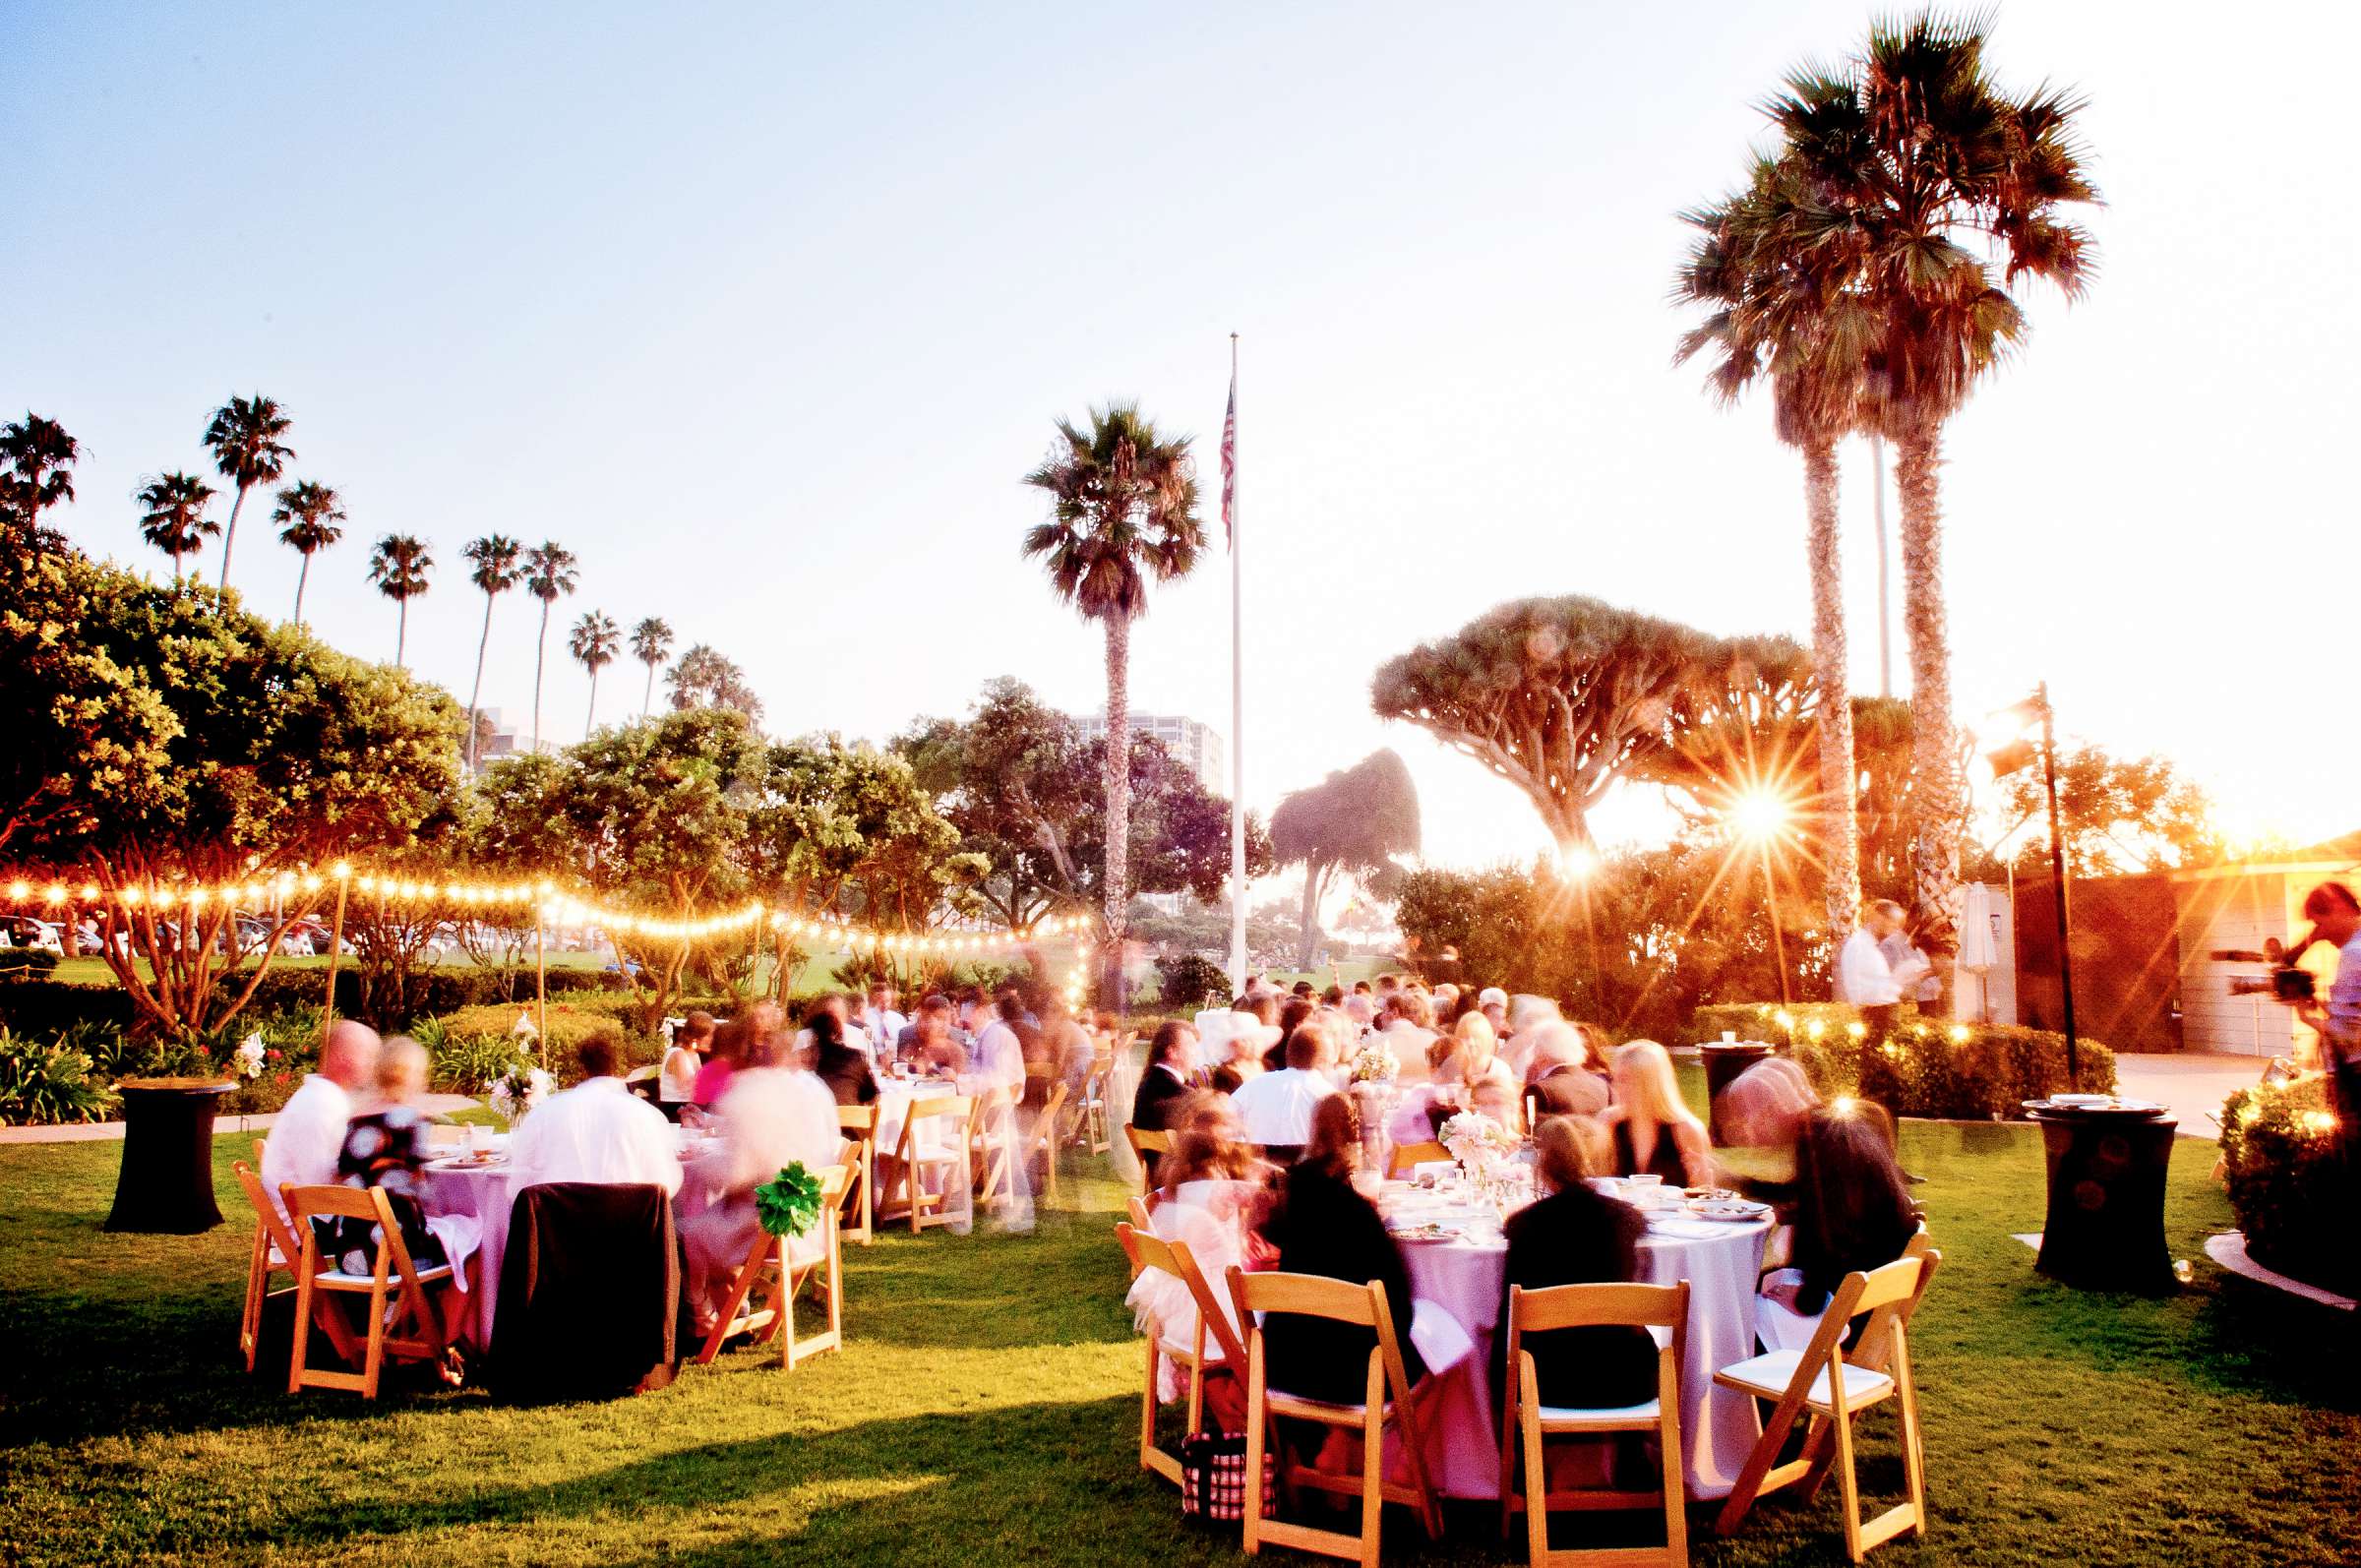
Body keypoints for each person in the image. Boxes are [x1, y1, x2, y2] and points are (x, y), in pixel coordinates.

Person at [1256, 1096, 1428, 1407]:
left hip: (1285, 1362)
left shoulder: (1290, 1198)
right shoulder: (1357, 1215)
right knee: (1442, 1358)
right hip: (1353, 1376)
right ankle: (1407, 1454)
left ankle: (1336, 1448)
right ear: (1358, 1140)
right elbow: (1397, 1307)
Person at [682, 1030, 844, 1331]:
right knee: (712, 1217)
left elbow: (736, 1172)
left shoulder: (750, 1095)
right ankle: (732, 1307)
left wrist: (695, 1164)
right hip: (809, 1219)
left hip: (772, 1229)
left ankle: (704, 1322)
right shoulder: (807, 1090)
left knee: (685, 1233)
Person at [1498, 1116, 1656, 1408]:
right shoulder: (1628, 1221)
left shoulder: (1525, 1225)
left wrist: (1499, 1388)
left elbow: (1508, 1317)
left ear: (1542, 1167)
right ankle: (1633, 1450)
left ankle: (1517, 1449)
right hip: (1626, 1379)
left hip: (1544, 1382)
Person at [1761, 1100, 1920, 1316]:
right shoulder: (1877, 1189)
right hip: (1871, 1312)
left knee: (1749, 1305)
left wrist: (1802, 1301)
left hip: (1840, 1319)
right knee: (1760, 1284)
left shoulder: (1828, 1212)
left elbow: (1816, 1288)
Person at [509, 1034, 683, 1196]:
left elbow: (517, 1188)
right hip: (628, 1225)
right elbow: (667, 1183)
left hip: (560, 1224)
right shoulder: (646, 1115)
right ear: (621, 1069)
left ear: (581, 1069)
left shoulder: (543, 1113)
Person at [261, 1019, 380, 1225]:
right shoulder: (321, 1105)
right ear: (344, 1057)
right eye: (368, 1056)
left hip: (304, 1216)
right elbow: (320, 1188)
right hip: (308, 1225)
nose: (373, 1064)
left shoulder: (322, 1096)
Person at [2293, 879, 2361, 1176]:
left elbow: (2350, 1037)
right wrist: (2319, 1004)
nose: (2317, 934)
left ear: (2336, 908)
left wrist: (2307, 1016)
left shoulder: (2354, 955)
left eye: (2318, 923)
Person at [1604, 1040, 1713, 1187]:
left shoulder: (1686, 1130)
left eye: (1624, 1080)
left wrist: (1700, 1178)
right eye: (1614, 1078)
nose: (1615, 1086)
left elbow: (1706, 1198)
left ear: (1649, 1085)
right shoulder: (1610, 1124)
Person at [1230, 1023, 1342, 1159]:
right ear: (1322, 1062)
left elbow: (1227, 1127)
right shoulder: (1328, 1095)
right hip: (1307, 1175)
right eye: (1331, 1063)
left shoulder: (1251, 1087)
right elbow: (1338, 1147)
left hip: (1257, 1170)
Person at [1130, 1020, 1199, 1184]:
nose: (1195, 1053)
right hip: (1181, 1181)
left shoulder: (1148, 1083)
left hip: (1158, 1177)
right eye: (1190, 1046)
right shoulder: (1180, 1093)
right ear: (1172, 1052)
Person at [1838, 900, 1914, 1043]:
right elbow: (1869, 992)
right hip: (1875, 1018)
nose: (1895, 928)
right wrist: (1899, 982)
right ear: (1878, 918)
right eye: (1893, 921)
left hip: (1879, 1017)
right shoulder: (1860, 946)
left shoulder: (1868, 946)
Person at [1524, 1021, 1611, 1119]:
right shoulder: (1603, 1086)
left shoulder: (1539, 1091)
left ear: (1542, 1056)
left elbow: (1531, 1133)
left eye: (1535, 1049)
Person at [810, 1006, 878, 1108]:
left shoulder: (806, 1058)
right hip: (853, 1121)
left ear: (814, 1034)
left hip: (820, 1120)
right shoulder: (855, 1056)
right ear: (839, 1034)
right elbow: (871, 1096)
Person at [660, 1011, 714, 1106]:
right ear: (696, 1037)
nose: (712, 1039)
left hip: (690, 1106)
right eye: (709, 1035)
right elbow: (685, 1087)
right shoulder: (678, 1054)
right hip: (674, 1108)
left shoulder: (694, 1055)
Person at [859, 983, 906, 1062]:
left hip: (896, 1060)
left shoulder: (898, 1019)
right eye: (881, 1001)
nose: (885, 1004)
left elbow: (905, 1042)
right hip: (873, 1060)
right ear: (874, 1000)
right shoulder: (866, 1018)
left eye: (888, 1001)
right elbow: (866, 1044)